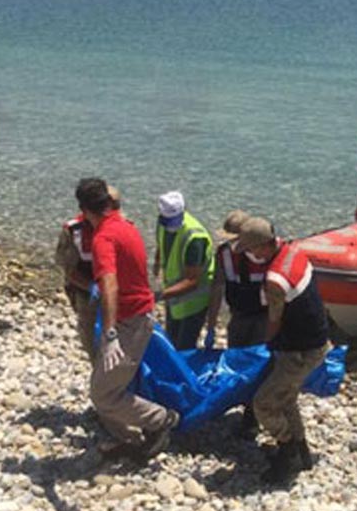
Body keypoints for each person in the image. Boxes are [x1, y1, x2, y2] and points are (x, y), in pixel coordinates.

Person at [77, 177, 179, 459]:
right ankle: (134, 439)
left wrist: (110, 334)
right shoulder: (125, 225)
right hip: (137, 315)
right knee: (109, 385)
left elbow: (110, 284)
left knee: (103, 395)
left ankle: (161, 420)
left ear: (85, 209)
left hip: (129, 322)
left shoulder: (103, 238)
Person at [235, 216, 330, 484]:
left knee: (264, 404)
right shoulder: (294, 252)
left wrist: (265, 345)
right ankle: (302, 453)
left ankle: (286, 455)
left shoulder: (275, 279)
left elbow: (274, 320)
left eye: (251, 250)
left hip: (299, 350)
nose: (250, 255)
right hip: (317, 339)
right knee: (286, 398)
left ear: (262, 246)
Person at [203, 209, 266, 437]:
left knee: (259, 366)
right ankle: (239, 403)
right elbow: (217, 288)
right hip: (239, 316)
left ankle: (253, 415)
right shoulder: (223, 255)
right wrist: (211, 326)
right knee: (237, 361)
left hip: (263, 318)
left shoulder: (264, 256)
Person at [54, 185, 121, 362]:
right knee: (92, 342)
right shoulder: (73, 231)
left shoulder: (122, 227)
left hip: (117, 296)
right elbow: (68, 269)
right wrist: (93, 287)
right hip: (86, 296)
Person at [153, 191, 216, 350]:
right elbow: (161, 244)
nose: (170, 225)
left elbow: (192, 281)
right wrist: (157, 262)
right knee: (171, 342)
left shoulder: (195, 237)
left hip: (193, 302)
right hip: (174, 297)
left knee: (184, 347)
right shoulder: (162, 224)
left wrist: (158, 295)